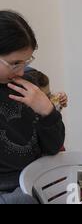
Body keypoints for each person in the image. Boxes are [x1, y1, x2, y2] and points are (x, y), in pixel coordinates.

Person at [0, 11, 65, 204]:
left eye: (26, 61)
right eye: (14, 63)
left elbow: (53, 147)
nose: (21, 71)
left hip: (38, 179)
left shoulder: (26, 83)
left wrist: (48, 112)